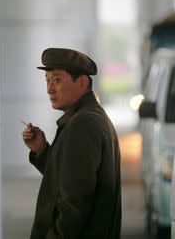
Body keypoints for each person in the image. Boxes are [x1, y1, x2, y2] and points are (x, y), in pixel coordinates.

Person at [22, 47, 122, 239]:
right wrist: (42, 151)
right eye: (47, 81)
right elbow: (68, 181)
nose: (50, 89)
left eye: (57, 80)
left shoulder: (82, 123)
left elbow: (74, 203)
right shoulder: (88, 117)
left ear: (83, 82)